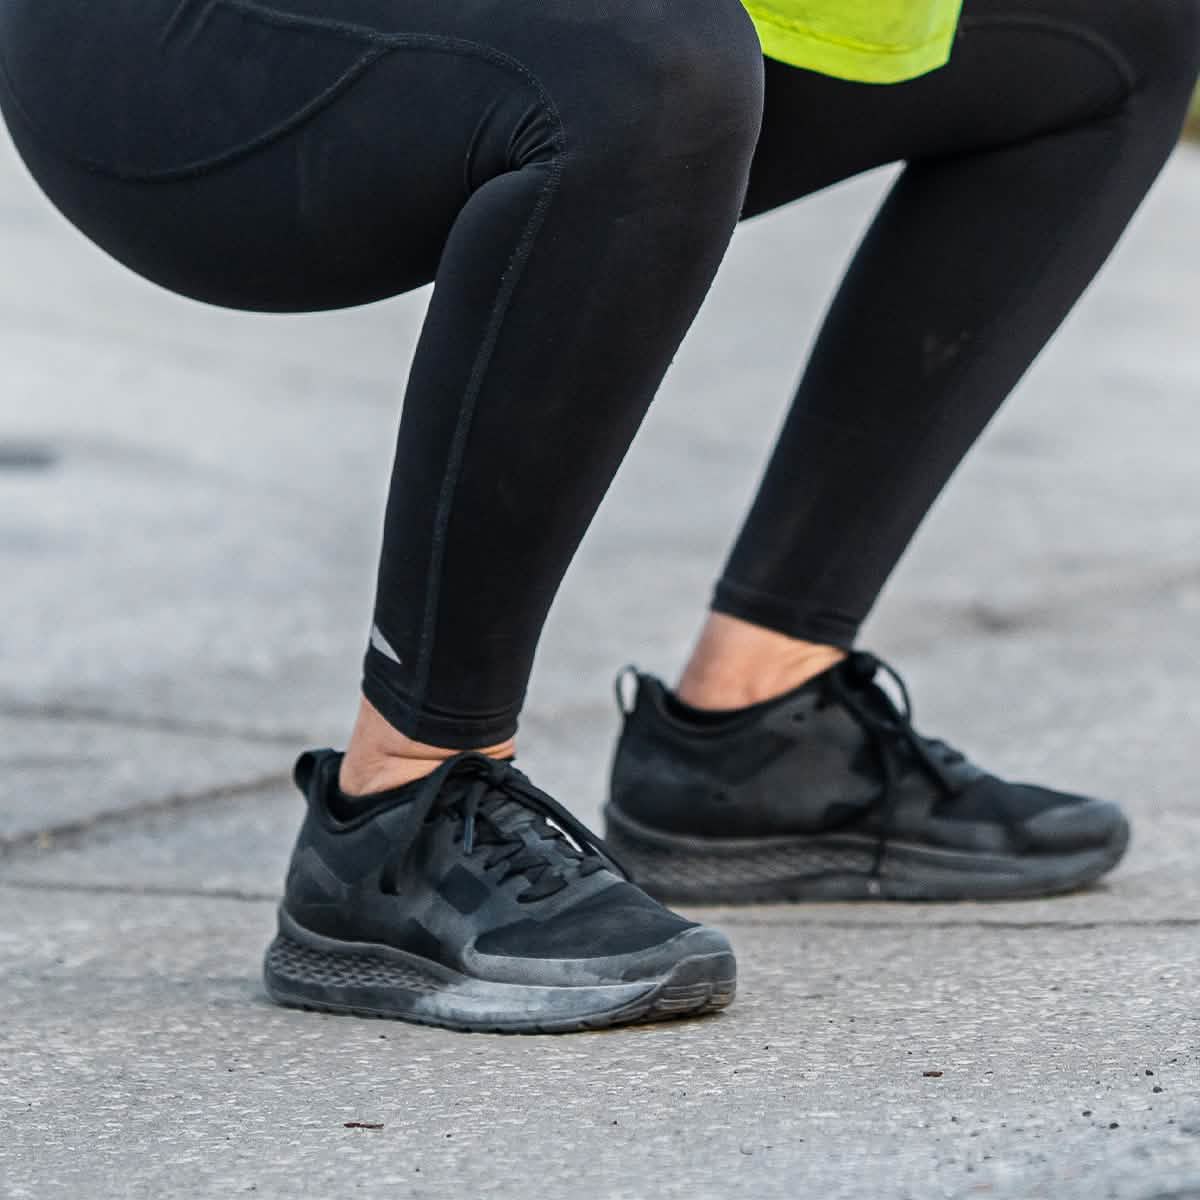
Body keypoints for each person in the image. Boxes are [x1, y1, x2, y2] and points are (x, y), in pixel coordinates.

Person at [2, 0, 1196, 1034]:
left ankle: (760, 728)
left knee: (1114, 35)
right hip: (170, 48)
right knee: (648, 60)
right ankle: (399, 811)